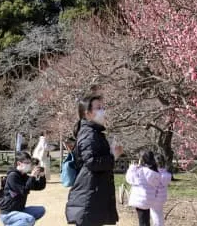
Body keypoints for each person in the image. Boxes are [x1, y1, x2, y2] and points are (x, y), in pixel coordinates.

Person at [66, 95, 122, 226]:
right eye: (99, 108)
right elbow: (92, 162)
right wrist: (113, 156)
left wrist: (110, 153)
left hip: (93, 195)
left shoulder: (93, 133)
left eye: (103, 107)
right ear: (88, 113)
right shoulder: (89, 134)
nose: (103, 111)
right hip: (89, 197)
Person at [0, 151, 46, 226]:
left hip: (20, 210)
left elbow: (39, 187)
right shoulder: (12, 176)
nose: (29, 165)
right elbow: (24, 191)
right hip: (8, 214)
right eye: (26, 163)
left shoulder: (23, 176)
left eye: (29, 163)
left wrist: (42, 176)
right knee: (29, 219)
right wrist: (32, 176)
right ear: (19, 163)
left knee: (41, 210)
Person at [126, 150, 161, 226]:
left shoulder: (140, 171)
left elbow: (130, 179)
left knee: (143, 221)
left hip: (140, 200)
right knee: (145, 219)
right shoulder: (155, 172)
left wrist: (132, 168)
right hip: (149, 199)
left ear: (142, 160)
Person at [150, 154, 171, 226]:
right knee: (159, 213)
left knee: (155, 214)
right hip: (162, 197)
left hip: (154, 197)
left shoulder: (153, 174)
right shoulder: (167, 174)